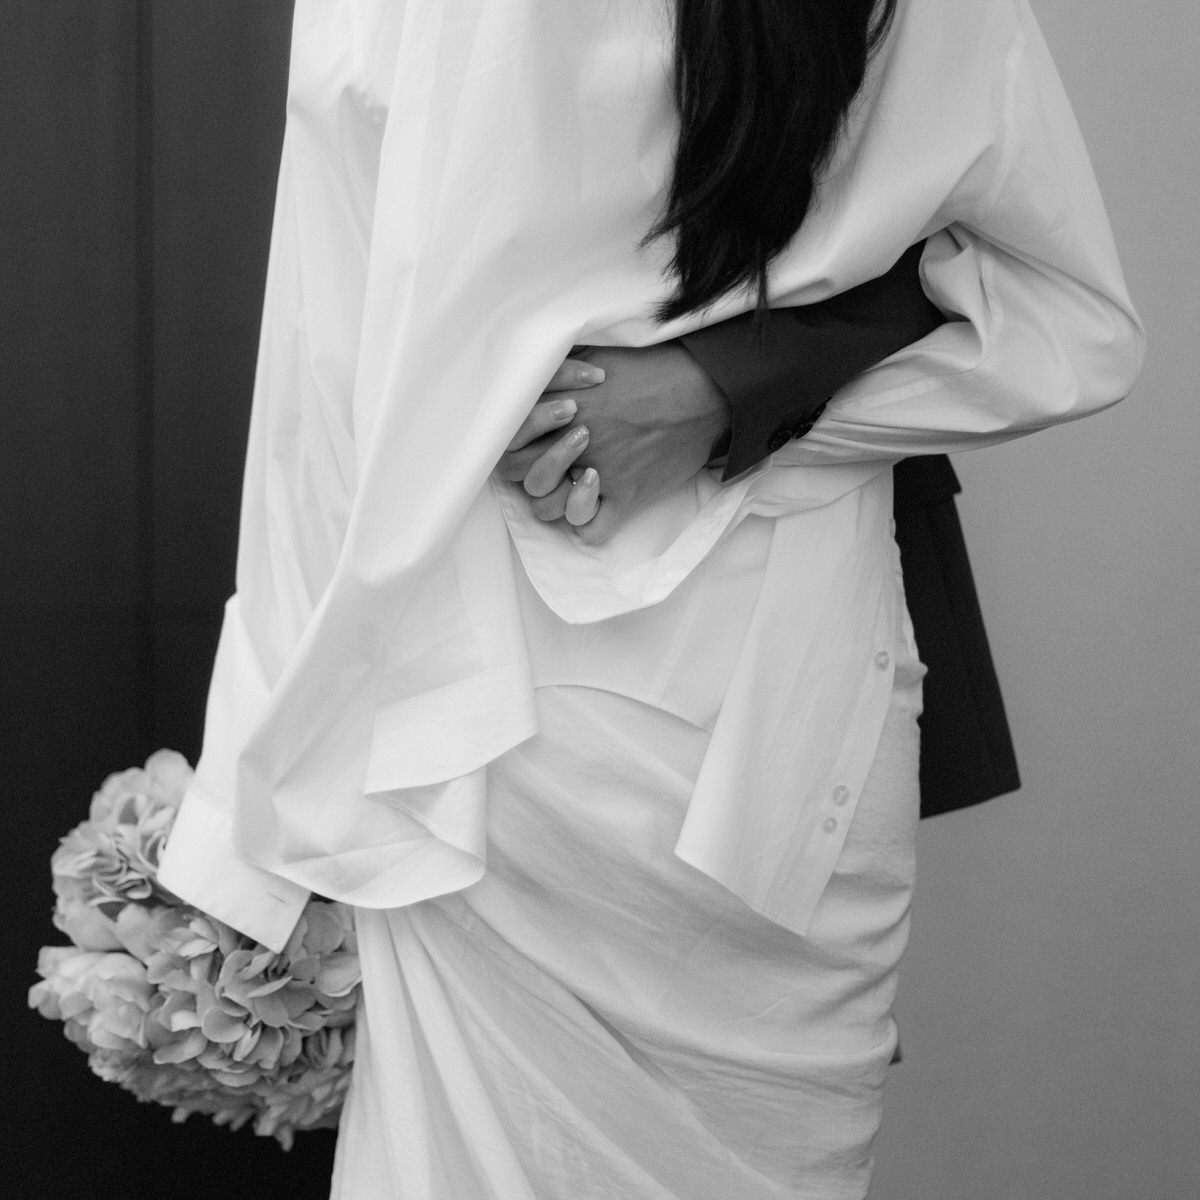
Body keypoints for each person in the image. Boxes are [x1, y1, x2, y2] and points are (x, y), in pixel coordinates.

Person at [157, 0, 1142, 1196]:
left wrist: (250, 825)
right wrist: (730, 393)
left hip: (490, 713)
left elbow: (327, 381)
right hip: (784, 700)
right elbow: (1071, 322)